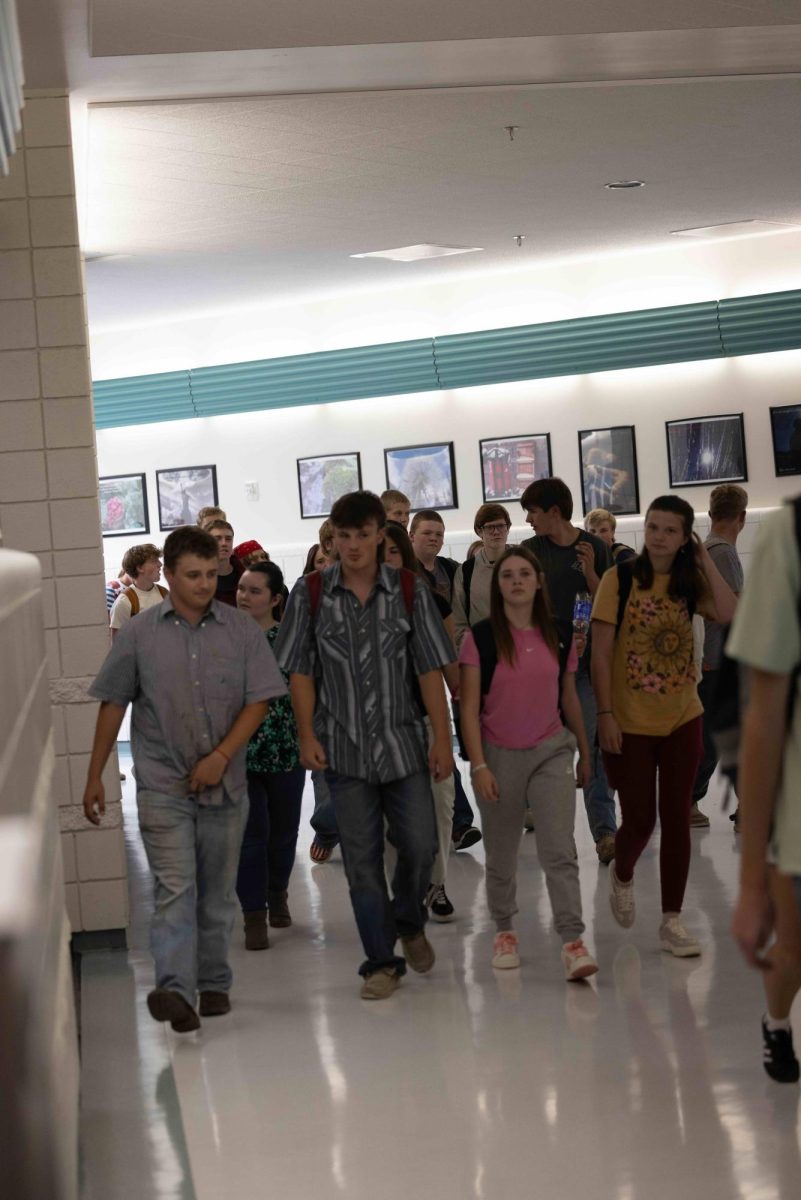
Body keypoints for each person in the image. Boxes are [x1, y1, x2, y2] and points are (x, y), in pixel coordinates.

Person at [82, 526, 285, 1032]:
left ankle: (213, 983)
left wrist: (221, 756)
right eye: (191, 575)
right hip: (162, 786)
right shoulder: (138, 632)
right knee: (175, 889)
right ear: (167, 576)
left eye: (209, 575)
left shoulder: (240, 631)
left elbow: (259, 700)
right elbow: (113, 702)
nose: (202, 584)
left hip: (226, 786)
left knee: (215, 895)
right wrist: (95, 775)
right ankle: (174, 988)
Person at [276, 490, 455, 1000]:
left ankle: (409, 920)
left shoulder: (407, 591)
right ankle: (380, 960)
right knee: (361, 861)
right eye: (343, 536)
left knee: (420, 845)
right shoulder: (310, 594)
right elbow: (301, 672)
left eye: (362, 535)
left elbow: (427, 669)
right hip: (343, 749)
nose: (352, 545)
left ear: (381, 534)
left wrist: (442, 737)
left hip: (405, 746)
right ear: (331, 537)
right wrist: (307, 734)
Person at [591, 495, 737, 957]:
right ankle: (623, 873)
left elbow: (731, 612)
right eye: (653, 527)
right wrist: (606, 714)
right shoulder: (619, 579)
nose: (658, 536)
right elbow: (599, 652)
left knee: (676, 818)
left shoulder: (690, 581)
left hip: (682, 718)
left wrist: (701, 560)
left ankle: (672, 919)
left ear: (684, 537)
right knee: (640, 819)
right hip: (630, 722)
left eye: (670, 530)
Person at [459, 546, 598, 980]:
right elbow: (467, 709)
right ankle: (504, 930)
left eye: (524, 574)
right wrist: (479, 765)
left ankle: (573, 941)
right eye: (507, 576)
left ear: (538, 582)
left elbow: (569, 696)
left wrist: (584, 752)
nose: (516, 581)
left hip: (552, 750)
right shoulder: (479, 638)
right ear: (497, 586)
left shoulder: (559, 633)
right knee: (501, 853)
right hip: (498, 755)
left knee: (559, 849)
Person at [729, 501, 801, 1082]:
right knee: (793, 952)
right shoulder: (789, 534)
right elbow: (763, 716)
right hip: (798, 820)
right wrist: (752, 883)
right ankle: (777, 1022)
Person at [520, 477, 616, 863]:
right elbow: (520, 606)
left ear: (554, 512)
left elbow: (609, 604)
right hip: (544, 669)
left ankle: (606, 833)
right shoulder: (529, 551)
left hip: (586, 670)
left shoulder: (593, 547)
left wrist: (592, 573)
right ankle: (559, 838)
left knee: (593, 750)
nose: (527, 519)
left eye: (532, 511)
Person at [384, 521, 459, 921]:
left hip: (429, 720)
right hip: (382, 727)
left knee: (441, 804)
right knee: (391, 817)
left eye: (394, 553)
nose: (387, 562)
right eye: (381, 554)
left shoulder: (431, 602)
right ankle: (404, 889)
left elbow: (451, 667)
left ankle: (438, 881)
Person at [235, 562, 305, 949]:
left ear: (276, 599)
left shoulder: (291, 639)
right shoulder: (224, 638)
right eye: (242, 589)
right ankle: (253, 916)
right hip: (238, 753)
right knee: (249, 835)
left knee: (283, 833)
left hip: (286, 749)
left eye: (254, 591)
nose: (244, 596)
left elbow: (303, 692)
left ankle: (277, 893)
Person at [690, 484, 747, 828]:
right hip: (717, 659)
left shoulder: (706, 549)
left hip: (708, 658)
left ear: (711, 514)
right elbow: (736, 613)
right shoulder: (724, 552)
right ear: (742, 517)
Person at [451, 503, 512, 650]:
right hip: (482, 652)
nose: (496, 532)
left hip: (520, 648)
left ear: (508, 528)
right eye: (490, 527)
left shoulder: (523, 562)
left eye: (501, 526)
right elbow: (459, 621)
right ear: (479, 531)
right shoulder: (466, 571)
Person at [109, 543, 167, 637]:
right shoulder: (125, 602)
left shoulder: (164, 594)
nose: (160, 564)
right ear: (140, 568)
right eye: (154, 561)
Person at [409, 508, 459, 603]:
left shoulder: (451, 567)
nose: (433, 538)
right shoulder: (400, 568)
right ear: (412, 536)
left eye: (439, 534)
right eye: (427, 533)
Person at [206, 518, 243, 606]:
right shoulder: (196, 580)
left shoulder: (245, 576)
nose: (224, 543)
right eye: (217, 539)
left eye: (228, 539)